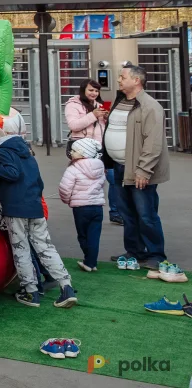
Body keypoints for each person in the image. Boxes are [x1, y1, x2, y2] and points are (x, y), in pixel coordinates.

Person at [0, 125, 79, 308]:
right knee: (46, 247)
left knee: (21, 249)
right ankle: (66, 286)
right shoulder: (26, 152)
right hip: (34, 207)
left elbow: (12, 173)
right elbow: (39, 182)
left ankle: (30, 291)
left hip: (15, 208)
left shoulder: (3, 151)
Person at [107, 64, 170, 270]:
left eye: (123, 77)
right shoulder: (121, 101)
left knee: (146, 214)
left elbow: (153, 142)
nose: (119, 80)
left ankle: (155, 255)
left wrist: (143, 169)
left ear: (137, 80)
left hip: (139, 170)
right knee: (127, 214)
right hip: (119, 167)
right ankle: (134, 252)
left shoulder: (150, 106)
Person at [65, 78, 121, 225]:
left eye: (96, 90)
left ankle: (115, 212)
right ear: (83, 90)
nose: (94, 93)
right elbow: (74, 125)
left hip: (100, 148)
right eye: (91, 90)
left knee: (112, 177)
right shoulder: (73, 105)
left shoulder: (98, 105)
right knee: (88, 182)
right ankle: (87, 211)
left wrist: (106, 118)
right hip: (82, 149)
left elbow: (101, 128)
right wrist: (93, 115)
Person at [58, 137, 106, 272]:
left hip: (81, 208)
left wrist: (67, 200)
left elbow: (65, 188)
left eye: (74, 151)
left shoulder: (73, 169)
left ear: (83, 153)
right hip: (97, 206)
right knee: (94, 236)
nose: (71, 153)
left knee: (83, 235)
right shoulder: (99, 167)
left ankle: (88, 261)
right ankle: (91, 262)